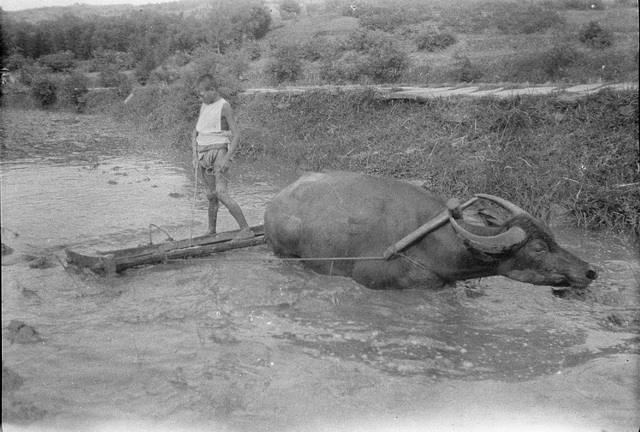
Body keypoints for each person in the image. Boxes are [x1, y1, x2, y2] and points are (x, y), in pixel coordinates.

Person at [192, 74, 254, 241]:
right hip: (203, 153)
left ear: (212, 90)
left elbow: (237, 134)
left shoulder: (224, 106)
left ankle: (246, 229)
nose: (201, 97)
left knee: (221, 192)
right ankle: (211, 230)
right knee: (211, 195)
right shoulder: (204, 105)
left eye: (202, 94)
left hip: (219, 151)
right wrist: (194, 155)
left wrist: (227, 158)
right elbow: (196, 132)